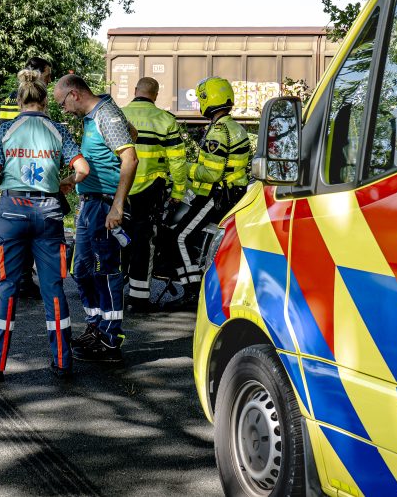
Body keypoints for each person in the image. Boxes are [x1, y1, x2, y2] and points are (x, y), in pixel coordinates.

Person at [0, 70, 90, 383]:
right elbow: (83, 168)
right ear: (43, 101)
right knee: (54, 289)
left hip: (12, 212)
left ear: (20, 100)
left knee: (7, 288)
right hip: (49, 213)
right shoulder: (58, 130)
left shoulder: (6, 130)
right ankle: (63, 362)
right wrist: (66, 181)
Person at [53, 74, 138, 363]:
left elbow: (130, 158)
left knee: (106, 271)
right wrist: (71, 181)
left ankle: (110, 338)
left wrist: (117, 205)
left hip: (104, 207)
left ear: (74, 94)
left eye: (62, 102)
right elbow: (131, 134)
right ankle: (97, 326)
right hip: (90, 204)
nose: (63, 109)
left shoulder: (105, 114)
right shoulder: (93, 117)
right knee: (83, 270)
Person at [156, 77, 250, 289]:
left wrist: (183, 167)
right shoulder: (236, 128)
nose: (199, 105)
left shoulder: (219, 131)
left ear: (209, 100)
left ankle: (192, 291)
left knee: (179, 237)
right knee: (184, 236)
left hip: (216, 195)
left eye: (201, 100)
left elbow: (211, 174)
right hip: (230, 194)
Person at [120, 77, 189, 314]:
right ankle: (138, 299)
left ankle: (110, 292)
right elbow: (178, 161)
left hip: (119, 187)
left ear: (135, 90)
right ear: (156, 96)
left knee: (115, 237)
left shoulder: (119, 115)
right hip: (150, 190)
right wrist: (178, 191)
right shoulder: (165, 120)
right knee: (143, 241)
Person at [0, 56, 54, 299]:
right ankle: (20, 278)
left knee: (7, 236)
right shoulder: (41, 107)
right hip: (27, 173)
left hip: (12, 175)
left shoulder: (12, 100)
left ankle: (0, 280)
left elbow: (2, 140)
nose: (49, 80)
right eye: (47, 75)